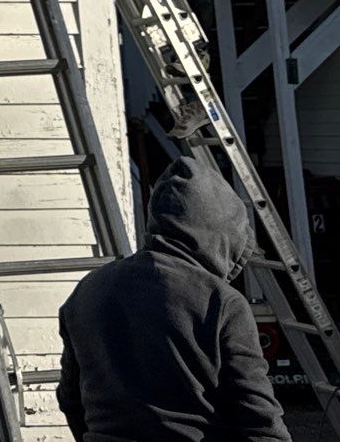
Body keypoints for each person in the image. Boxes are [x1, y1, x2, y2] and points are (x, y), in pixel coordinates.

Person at [58, 156, 289, 442]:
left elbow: (70, 398)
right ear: (223, 234)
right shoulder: (220, 302)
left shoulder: (88, 289)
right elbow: (258, 418)